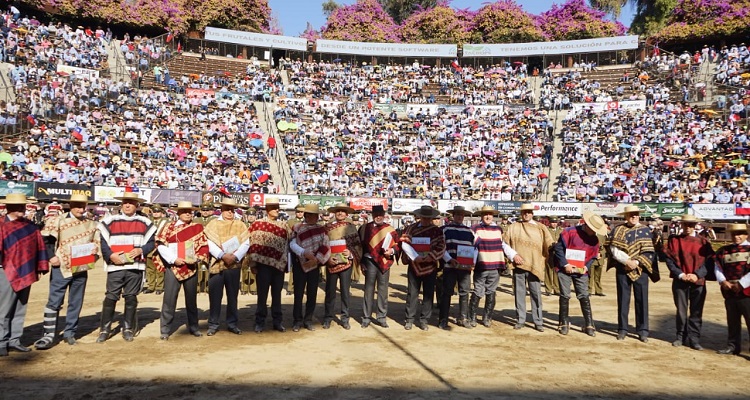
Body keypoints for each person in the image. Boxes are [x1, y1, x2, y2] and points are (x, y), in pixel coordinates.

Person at [34, 194, 101, 349]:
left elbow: (96, 242)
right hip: (62, 265)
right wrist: (51, 257)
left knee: (76, 301)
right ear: (70, 206)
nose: (81, 209)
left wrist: (95, 255)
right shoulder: (58, 220)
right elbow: (46, 240)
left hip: (81, 266)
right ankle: (48, 335)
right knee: (54, 301)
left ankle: (70, 332)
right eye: (77, 205)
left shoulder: (92, 224)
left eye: (83, 206)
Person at [96, 192, 156, 343]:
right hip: (115, 265)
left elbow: (151, 243)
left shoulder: (145, 222)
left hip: (135, 266)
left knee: (131, 296)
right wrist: (110, 255)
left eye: (131, 203)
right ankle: (105, 328)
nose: (128, 205)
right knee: (111, 296)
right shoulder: (109, 221)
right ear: (121, 205)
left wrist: (141, 250)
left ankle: (128, 328)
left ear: (137, 205)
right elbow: (103, 243)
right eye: (125, 202)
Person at [0, 193, 49, 356]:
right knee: (4, 309)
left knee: (21, 307)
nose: (22, 209)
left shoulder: (30, 226)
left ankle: (14, 340)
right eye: (18, 206)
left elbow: (40, 246)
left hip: (26, 270)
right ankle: (1, 341)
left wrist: (39, 266)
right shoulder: (1, 225)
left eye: (23, 206)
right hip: (5, 271)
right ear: (9, 208)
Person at [155, 201, 209, 340]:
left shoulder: (197, 228)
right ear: (178, 213)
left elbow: (203, 246)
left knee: (192, 300)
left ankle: (194, 327)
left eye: (189, 211)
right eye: (184, 211)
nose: (187, 213)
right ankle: (165, 329)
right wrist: (174, 259)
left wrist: (197, 258)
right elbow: (161, 245)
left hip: (191, 267)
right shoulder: (169, 227)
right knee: (169, 299)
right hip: (173, 267)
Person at [553, 211, 608, 336]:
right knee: (565, 295)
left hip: (581, 270)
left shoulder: (594, 240)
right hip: (564, 268)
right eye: (593, 229)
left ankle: (589, 324)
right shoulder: (570, 232)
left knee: (584, 295)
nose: (594, 232)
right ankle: (564, 323)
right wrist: (565, 264)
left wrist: (586, 267)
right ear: (587, 225)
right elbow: (559, 249)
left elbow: (593, 256)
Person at [607, 205, 657, 342]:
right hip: (623, 269)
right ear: (625, 216)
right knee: (623, 299)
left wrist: (636, 263)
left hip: (641, 269)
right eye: (631, 214)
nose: (634, 216)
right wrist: (627, 261)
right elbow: (613, 249)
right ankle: (622, 328)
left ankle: (643, 330)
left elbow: (649, 250)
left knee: (642, 300)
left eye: (636, 214)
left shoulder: (645, 230)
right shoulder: (618, 229)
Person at [664, 214, 714, 350]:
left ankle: (694, 338)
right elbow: (669, 260)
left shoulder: (703, 242)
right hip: (681, 280)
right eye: (685, 224)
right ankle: (680, 336)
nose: (688, 227)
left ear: (695, 225)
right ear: (681, 225)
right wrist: (680, 274)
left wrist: (697, 275)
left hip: (698, 281)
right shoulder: (674, 241)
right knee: (681, 310)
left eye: (691, 224)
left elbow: (709, 262)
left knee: (696, 311)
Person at [204, 198, 250, 336]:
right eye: (227, 209)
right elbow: (209, 242)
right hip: (216, 264)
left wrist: (235, 257)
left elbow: (246, 243)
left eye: (232, 209)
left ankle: (232, 323)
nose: (230, 212)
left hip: (234, 265)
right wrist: (222, 255)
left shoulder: (240, 224)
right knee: (215, 296)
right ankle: (213, 323)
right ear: (222, 209)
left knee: (232, 295)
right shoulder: (212, 224)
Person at [504, 203, 554, 332]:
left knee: (536, 293)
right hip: (518, 264)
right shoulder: (513, 227)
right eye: (524, 212)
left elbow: (550, 244)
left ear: (532, 213)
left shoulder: (541, 228)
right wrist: (514, 255)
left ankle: (538, 321)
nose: (526, 214)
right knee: (519, 293)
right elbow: (504, 243)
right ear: (521, 213)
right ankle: (521, 319)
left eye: (528, 212)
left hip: (535, 265)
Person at [470, 206, 520, 328]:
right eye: (485, 214)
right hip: (481, 266)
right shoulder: (475, 228)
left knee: (491, 292)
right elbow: (473, 247)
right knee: (478, 291)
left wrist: (514, 255)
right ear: (481, 216)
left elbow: (503, 245)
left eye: (490, 214)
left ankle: (487, 317)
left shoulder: (498, 230)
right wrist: (472, 262)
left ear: (493, 216)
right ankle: (472, 317)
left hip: (495, 266)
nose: (488, 217)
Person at [247, 197, 291, 333]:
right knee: (262, 295)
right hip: (263, 266)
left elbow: (287, 245)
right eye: (274, 208)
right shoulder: (258, 224)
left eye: (277, 207)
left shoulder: (284, 226)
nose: (277, 210)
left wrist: (286, 265)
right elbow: (252, 244)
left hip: (278, 266)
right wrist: (253, 264)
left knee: (277, 295)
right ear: (267, 210)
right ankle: (260, 321)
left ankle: (277, 321)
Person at [399, 205, 446, 331]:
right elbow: (404, 243)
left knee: (428, 294)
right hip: (414, 265)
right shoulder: (411, 228)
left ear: (431, 218)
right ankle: (409, 319)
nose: (426, 219)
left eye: (428, 218)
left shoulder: (437, 231)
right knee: (412, 293)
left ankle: (424, 320)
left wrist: (431, 256)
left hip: (430, 266)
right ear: (420, 217)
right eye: (424, 217)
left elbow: (441, 246)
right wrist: (415, 257)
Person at [289, 203, 330, 331]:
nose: (313, 217)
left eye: (315, 215)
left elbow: (325, 245)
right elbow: (292, 243)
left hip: (314, 264)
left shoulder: (322, 229)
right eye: (310, 215)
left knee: (312, 293)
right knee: (298, 293)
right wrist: (303, 253)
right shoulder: (297, 227)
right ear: (305, 215)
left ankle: (308, 319)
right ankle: (297, 320)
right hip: (299, 264)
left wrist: (316, 258)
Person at [323, 203, 362, 330]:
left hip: (346, 263)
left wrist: (350, 253)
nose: (340, 213)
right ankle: (328, 317)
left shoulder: (351, 227)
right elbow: (323, 246)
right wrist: (327, 258)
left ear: (346, 214)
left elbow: (357, 245)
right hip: (331, 263)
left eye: (342, 211)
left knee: (345, 292)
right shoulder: (327, 227)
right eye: (338, 211)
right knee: (330, 292)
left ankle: (345, 318)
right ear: (334, 213)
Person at [713, 223, 750, 355]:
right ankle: (733, 346)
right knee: (732, 321)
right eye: (734, 234)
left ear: (746, 235)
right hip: (729, 291)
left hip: (747, 292)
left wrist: (741, 284)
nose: (737, 236)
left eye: (740, 234)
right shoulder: (724, 250)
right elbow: (718, 267)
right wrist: (723, 281)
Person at [360, 205, 399, 328]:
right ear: (372, 215)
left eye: (380, 214)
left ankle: (381, 317)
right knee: (368, 289)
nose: (378, 217)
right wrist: (361, 262)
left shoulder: (390, 229)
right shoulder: (364, 228)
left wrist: (392, 251)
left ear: (384, 215)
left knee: (383, 290)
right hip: (370, 261)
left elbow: (397, 245)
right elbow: (360, 246)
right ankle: (366, 317)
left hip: (384, 261)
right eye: (376, 214)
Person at [438, 206, 475, 330]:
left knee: (464, 292)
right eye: (457, 214)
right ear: (453, 215)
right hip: (450, 266)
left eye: (461, 214)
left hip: (465, 268)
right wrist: (449, 259)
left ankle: (463, 318)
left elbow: (474, 248)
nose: (459, 216)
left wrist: (472, 262)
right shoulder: (444, 229)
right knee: (447, 292)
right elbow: (441, 247)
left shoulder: (469, 231)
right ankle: (443, 319)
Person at [144, 204, 168, 294]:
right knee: (150, 268)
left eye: (158, 212)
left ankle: (160, 287)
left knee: (160, 268)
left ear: (162, 213)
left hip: (161, 247)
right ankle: (151, 286)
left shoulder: (166, 222)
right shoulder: (148, 221)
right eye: (154, 212)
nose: (156, 213)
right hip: (149, 247)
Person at [194, 203, 216, 293]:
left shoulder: (215, 220)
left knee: (210, 265)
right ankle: (199, 286)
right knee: (198, 265)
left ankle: (209, 286)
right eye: (203, 210)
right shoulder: (196, 220)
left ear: (211, 211)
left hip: (211, 245)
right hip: (198, 246)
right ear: (200, 211)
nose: (205, 212)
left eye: (207, 210)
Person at [285, 205, 304, 295]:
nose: (300, 213)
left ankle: (304, 288)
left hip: (305, 248)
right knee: (293, 268)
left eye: (301, 212)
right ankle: (291, 288)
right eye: (298, 212)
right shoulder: (290, 222)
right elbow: (288, 234)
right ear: (296, 212)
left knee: (305, 268)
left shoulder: (307, 222)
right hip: (293, 248)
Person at [589, 217, 609, 296]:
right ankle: (588, 290)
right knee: (590, 276)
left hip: (600, 258)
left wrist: (601, 253)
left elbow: (605, 246)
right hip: (591, 258)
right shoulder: (590, 234)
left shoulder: (603, 235)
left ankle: (598, 290)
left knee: (598, 276)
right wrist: (594, 253)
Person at [544, 217, 562, 296]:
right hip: (549, 252)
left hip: (558, 254)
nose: (554, 224)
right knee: (548, 271)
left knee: (556, 271)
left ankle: (556, 289)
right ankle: (548, 289)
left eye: (555, 222)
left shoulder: (561, 230)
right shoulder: (547, 230)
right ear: (549, 223)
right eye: (552, 222)